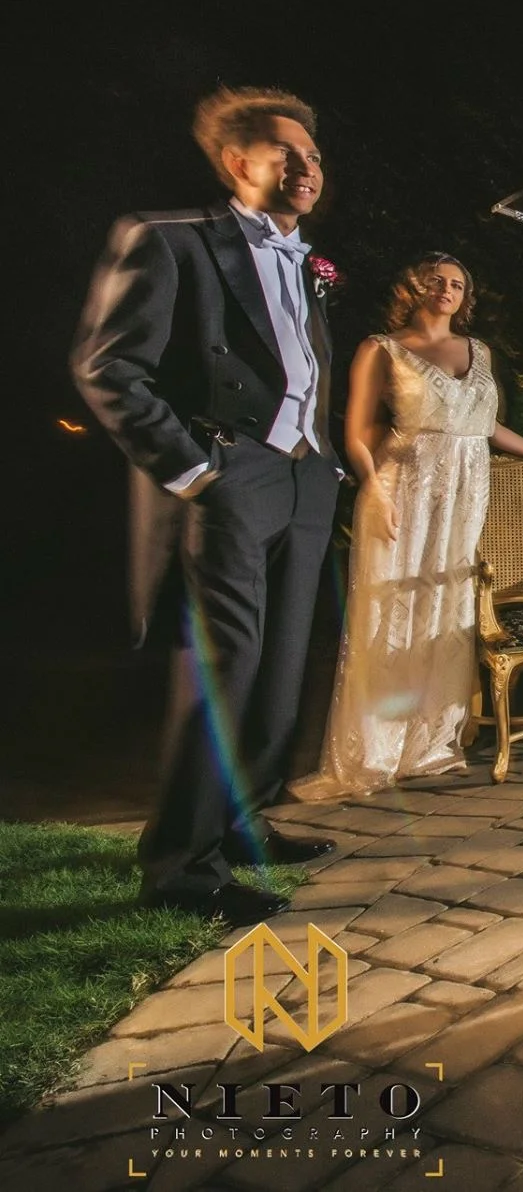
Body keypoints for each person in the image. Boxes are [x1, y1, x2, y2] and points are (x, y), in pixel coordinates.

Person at [72, 87, 342, 924]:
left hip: (301, 480)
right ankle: (179, 867)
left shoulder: (307, 259)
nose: (307, 168)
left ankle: (237, 821)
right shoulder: (168, 239)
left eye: (314, 155)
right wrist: (193, 471)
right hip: (225, 477)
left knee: (285, 667)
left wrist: (322, 467)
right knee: (227, 670)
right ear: (236, 162)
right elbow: (107, 368)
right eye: (285, 153)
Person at [290, 255, 523, 800]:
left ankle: (426, 744)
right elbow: (355, 431)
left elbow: (482, 423)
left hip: (464, 499)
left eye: (458, 284)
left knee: (442, 611)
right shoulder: (381, 347)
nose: (447, 290)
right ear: (414, 286)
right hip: (405, 489)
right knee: (390, 614)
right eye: (437, 281)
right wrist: (374, 487)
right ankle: (374, 750)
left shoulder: (480, 351)